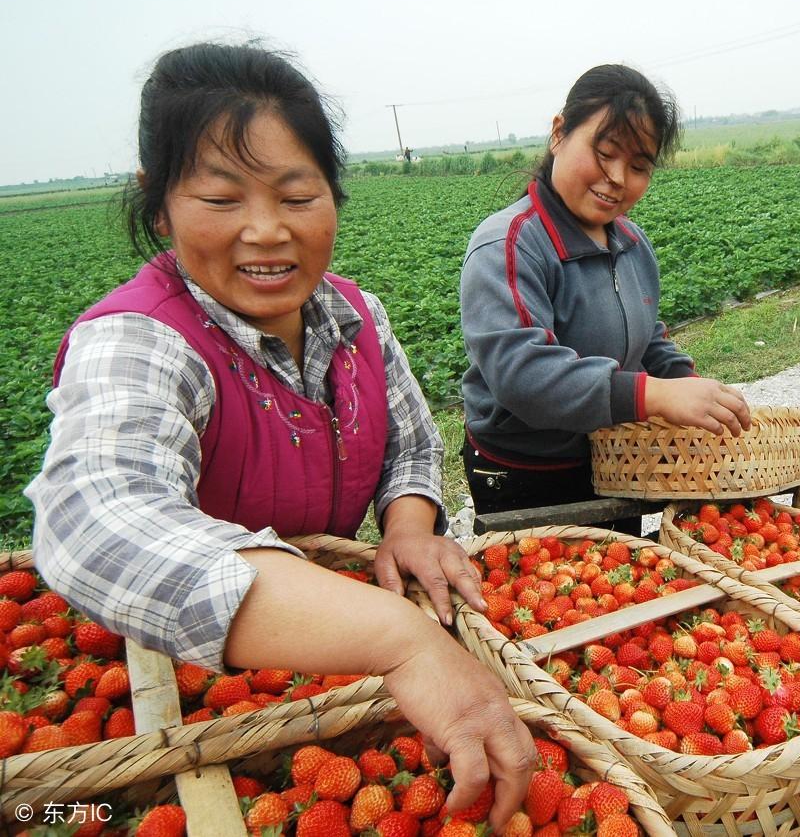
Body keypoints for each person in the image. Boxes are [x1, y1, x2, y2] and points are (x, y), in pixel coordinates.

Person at [24, 43, 534, 830]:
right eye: (222, 200)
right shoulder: (141, 339)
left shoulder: (356, 316)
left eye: (297, 195)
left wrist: (406, 525)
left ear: (332, 193)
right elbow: (94, 519)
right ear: (157, 204)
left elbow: (412, 444)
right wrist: (401, 639)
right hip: (184, 681)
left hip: (320, 670)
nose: (266, 231)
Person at [459, 64, 751, 526]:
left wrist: (692, 387)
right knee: (550, 591)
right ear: (559, 133)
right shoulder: (511, 243)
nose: (617, 177)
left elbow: (647, 338)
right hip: (525, 474)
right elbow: (522, 375)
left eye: (638, 167)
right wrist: (652, 395)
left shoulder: (631, 242)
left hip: (615, 462)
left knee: (624, 584)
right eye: (605, 152)